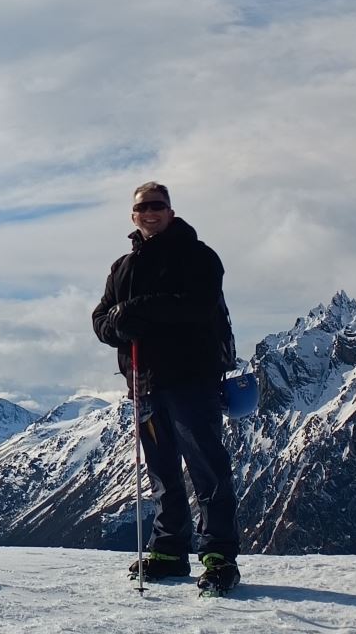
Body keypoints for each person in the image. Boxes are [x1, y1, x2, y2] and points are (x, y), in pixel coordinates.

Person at [91, 181, 241, 595]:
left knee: (206, 466)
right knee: (161, 468)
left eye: (158, 206)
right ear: (133, 215)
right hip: (144, 383)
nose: (150, 212)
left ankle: (218, 555)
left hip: (192, 378)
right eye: (143, 207)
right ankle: (170, 548)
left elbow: (199, 305)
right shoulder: (122, 267)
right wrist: (117, 323)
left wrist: (139, 311)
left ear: (171, 211)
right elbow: (100, 318)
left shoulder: (199, 257)